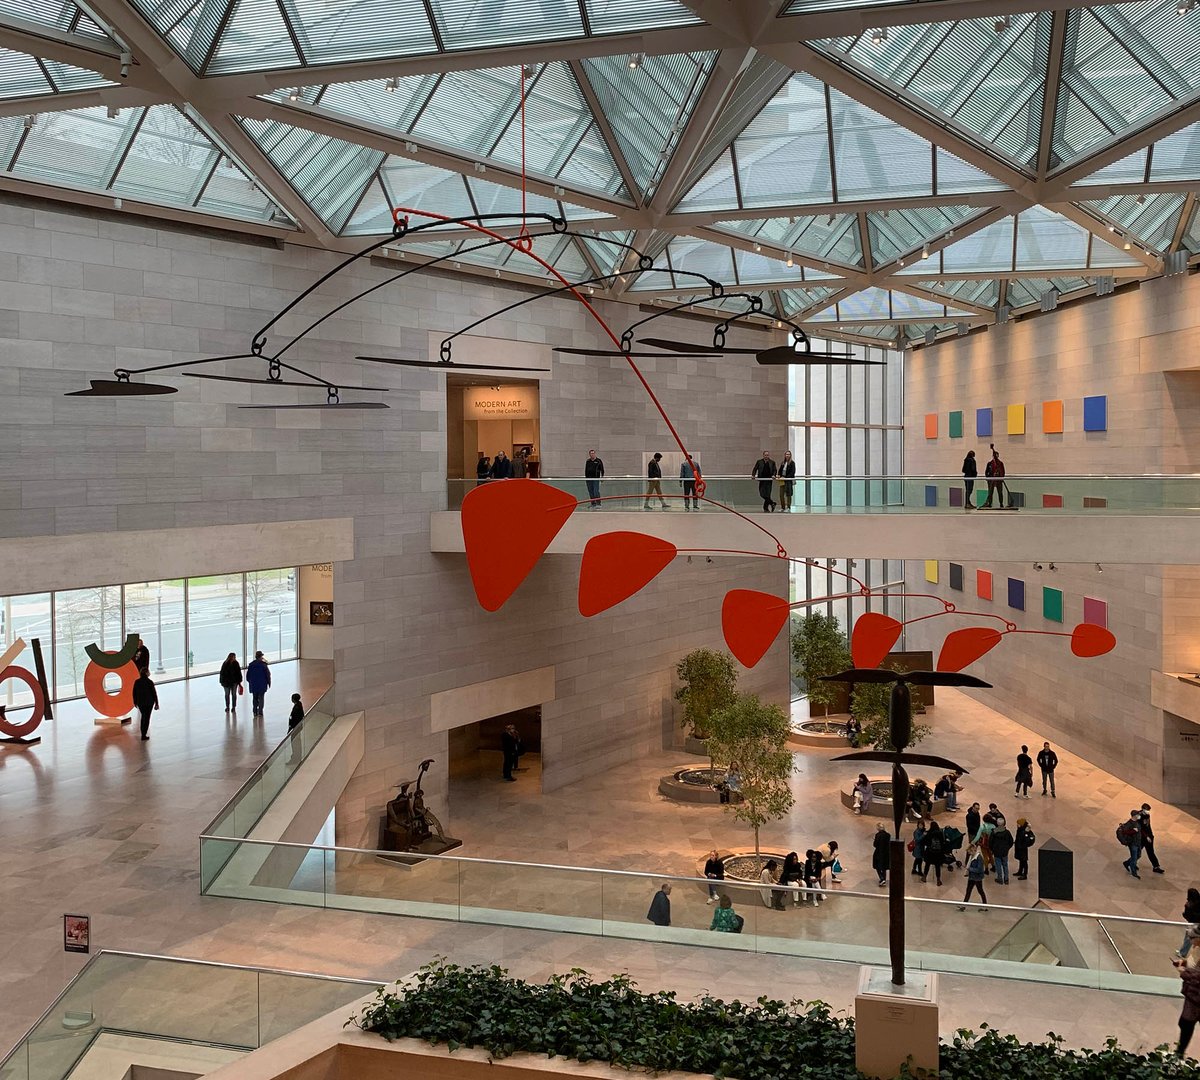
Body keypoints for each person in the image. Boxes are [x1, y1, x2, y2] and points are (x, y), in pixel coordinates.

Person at [1174, 952, 1200, 1056]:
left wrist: (1184, 972)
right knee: (1185, 1024)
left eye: (1193, 938)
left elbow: (1197, 976)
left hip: (1196, 998)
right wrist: (1184, 962)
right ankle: (1179, 1053)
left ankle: (1179, 1054)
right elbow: (1193, 964)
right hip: (1193, 996)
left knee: (1186, 1024)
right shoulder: (1197, 949)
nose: (1190, 941)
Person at [132, 666, 159, 741]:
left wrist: (135, 702)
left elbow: (134, 693)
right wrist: (156, 703)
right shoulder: (149, 682)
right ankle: (144, 734)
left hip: (141, 702)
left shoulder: (137, 682)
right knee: (147, 718)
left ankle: (142, 733)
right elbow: (154, 693)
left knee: (143, 717)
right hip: (149, 703)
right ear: (146, 673)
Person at [960, 845, 988, 910]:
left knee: (980, 891)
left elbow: (979, 870)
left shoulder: (979, 858)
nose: (969, 854)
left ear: (973, 851)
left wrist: (969, 869)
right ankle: (963, 906)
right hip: (971, 877)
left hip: (977, 878)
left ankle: (985, 905)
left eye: (969, 852)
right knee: (968, 891)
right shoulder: (972, 856)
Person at [1118, 809, 1144, 878]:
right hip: (1133, 843)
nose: (1139, 816)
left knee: (1138, 855)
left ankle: (1126, 863)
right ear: (1134, 816)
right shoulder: (1129, 824)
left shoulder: (1137, 822)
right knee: (1134, 858)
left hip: (1138, 842)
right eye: (1138, 815)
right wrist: (1133, 831)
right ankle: (1133, 872)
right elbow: (1124, 832)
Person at [1140, 803, 1165, 874]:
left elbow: (1148, 826)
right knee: (1138, 852)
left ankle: (1156, 866)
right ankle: (1129, 863)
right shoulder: (1139, 817)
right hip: (1143, 838)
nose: (1148, 812)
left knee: (1151, 852)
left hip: (1149, 837)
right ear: (1143, 809)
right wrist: (1146, 836)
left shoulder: (1147, 815)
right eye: (1147, 810)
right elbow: (1141, 829)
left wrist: (1150, 835)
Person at [246, 650, 271, 717]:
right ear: (261, 657)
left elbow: (248, 676)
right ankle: (260, 712)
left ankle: (254, 711)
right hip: (262, 685)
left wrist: (250, 682)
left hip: (254, 685)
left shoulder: (251, 665)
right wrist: (269, 683)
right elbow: (268, 675)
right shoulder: (263, 665)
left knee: (255, 698)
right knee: (261, 698)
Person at [980, 444, 1005, 508]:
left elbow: (1003, 471)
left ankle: (1001, 503)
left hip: (999, 480)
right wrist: (988, 478)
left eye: (997, 455)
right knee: (990, 492)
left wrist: (1002, 478)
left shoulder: (1000, 463)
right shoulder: (989, 463)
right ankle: (989, 503)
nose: (996, 456)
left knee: (1000, 492)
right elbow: (986, 471)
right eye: (994, 455)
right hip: (991, 480)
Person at [1178, 888, 1200, 958]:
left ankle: (1183, 953)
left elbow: (1188, 916)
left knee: (1188, 939)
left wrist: (1184, 913)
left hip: (1193, 924)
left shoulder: (1189, 905)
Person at [921, 820, 945, 885]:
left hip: (930, 853)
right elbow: (943, 843)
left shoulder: (929, 833)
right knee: (937, 867)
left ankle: (924, 877)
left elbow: (924, 842)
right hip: (938, 853)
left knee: (927, 865)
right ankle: (938, 880)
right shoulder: (940, 833)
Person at [992, 820, 1014, 885]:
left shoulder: (994, 832)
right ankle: (1006, 879)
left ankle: (1000, 878)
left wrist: (993, 849)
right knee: (1005, 865)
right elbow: (1011, 841)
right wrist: (1007, 848)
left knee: (998, 865)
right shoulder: (1007, 832)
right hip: (1004, 852)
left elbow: (991, 842)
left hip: (997, 852)